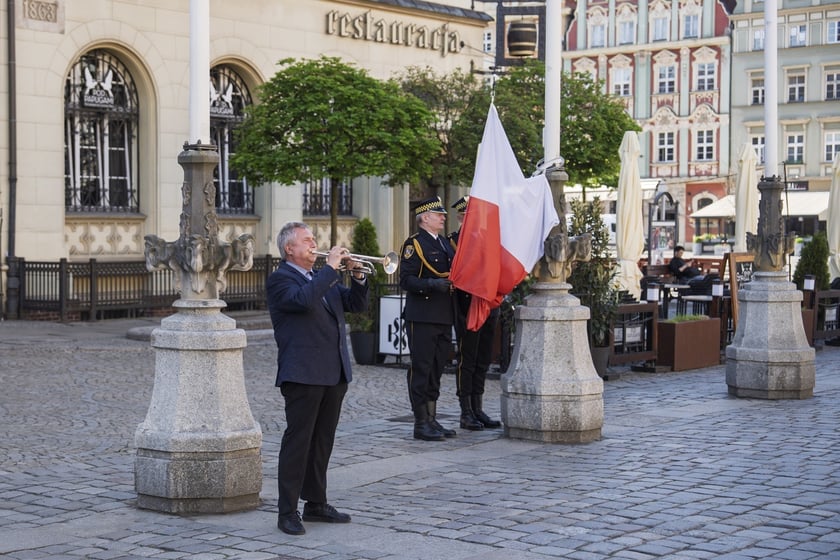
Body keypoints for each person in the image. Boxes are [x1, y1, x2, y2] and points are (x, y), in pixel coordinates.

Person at [267, 221, 369, 536]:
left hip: (333, 371)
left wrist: (358, 276)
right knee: (298, 442)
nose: (314, 244)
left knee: (322, 441)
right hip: (303, 373)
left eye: (314, 239)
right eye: (307, 240)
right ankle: (287, 512)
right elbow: (302, 301)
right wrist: (331, 269)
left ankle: (315, 503)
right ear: (290, 249)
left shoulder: (319, 278)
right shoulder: (280, 280)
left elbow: (355, 305)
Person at [399, 195, 457, 442]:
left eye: (443, 214)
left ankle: (432, 419)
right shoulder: (414, 244)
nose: (443, 217)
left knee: (436, 368)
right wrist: (431, 284)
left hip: (443, 314)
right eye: (438, 214)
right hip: (422, 315)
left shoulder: (444, 243)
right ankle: (420, 422)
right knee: (421, 368)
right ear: (425, 218)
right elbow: (406, 280)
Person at [448, 196, 502, 431]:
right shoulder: (452, 243)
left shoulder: (488, 240)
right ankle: (465, 411)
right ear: (462, 218)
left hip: (488, 306)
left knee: (482, 359)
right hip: (465, 308)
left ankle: (478, 407)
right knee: (467, 361)